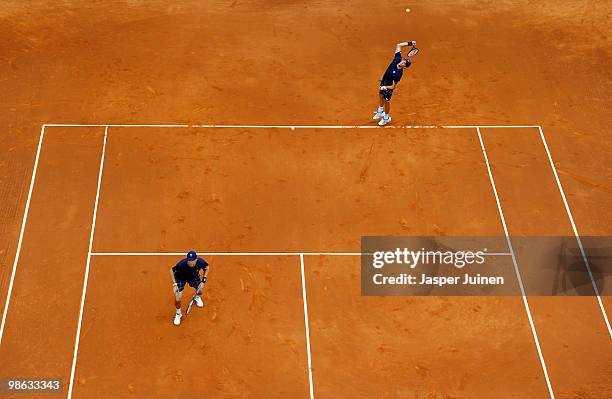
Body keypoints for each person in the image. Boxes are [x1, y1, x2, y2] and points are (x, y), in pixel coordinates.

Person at [373, 41, 417, 126]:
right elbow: (399, 45)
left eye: (404, 63)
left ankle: (386, 118)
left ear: (404, 67)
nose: (402, 62)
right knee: (380, 94)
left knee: (386, 100)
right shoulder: (398, 58)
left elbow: (393, 86)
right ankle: (380, 111)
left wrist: (385, 87)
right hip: (384, 80)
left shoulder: (398, 74)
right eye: (403, 61)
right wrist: (410, 43)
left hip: (388, 86)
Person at [170, 250, 209, 326]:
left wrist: (203, 281)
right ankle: (178, 314)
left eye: (192, 261)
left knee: (200, 291)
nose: (191, 262)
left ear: (196, 259)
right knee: (178, 298)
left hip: (193, 277)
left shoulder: (200, 262)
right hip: (180, 278)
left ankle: (196, 297)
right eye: (189, 261)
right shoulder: (182, 264)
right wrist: (174, 284)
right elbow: (171, 270)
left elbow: (207, 267)